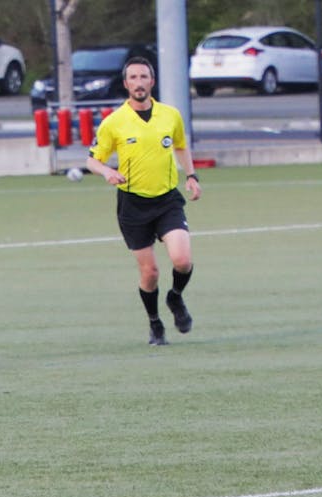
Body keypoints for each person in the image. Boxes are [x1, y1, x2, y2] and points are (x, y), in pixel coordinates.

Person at [83, 56, 201, 346]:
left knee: (183, 261)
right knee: (150, 272)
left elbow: (181, 146)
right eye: (133, 78)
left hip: (167, 199)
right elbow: (91, 160)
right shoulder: (114, 123)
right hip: (133, 205)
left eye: (143, 77)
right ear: (126, 84)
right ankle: (155, 323)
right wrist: (107, 171)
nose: (139, 83)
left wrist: (192, 176)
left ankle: (175, 298)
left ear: (152, 81)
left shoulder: (170, 115)